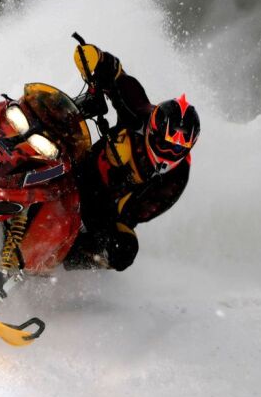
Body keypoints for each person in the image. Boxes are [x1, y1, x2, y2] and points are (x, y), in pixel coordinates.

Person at [63, 42, 201, 271]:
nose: (168, 154)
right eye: (164, 145)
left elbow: (135, 214)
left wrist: (108, 231)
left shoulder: (176, 178)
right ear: (152, 131)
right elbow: (117, 75)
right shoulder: (138, 111)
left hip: (105, 206)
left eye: (177, 150)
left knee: (124, 251)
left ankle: (58, 263)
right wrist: (96, 59)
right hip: (80, 166)